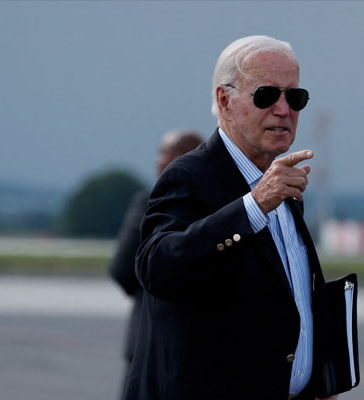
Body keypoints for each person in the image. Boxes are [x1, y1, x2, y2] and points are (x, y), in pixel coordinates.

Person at [124, 35, 337, 400]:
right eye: (267, 95)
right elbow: (157, 267)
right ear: (225, 100)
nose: (284, 110)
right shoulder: (190, 175)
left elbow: (290, 299)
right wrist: (252, 206)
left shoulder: (281, 185)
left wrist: (317, 378)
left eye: (295, 97)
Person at [109, 129, 203, 399]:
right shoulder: (219, 207)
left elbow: (121, 269)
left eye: (164, 153)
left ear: (180, 159)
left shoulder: (150, 202)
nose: (158, 162)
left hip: (146, 340)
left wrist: (147, 288)